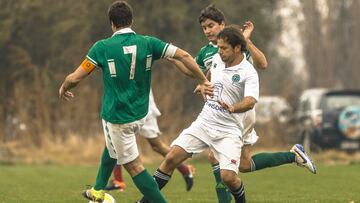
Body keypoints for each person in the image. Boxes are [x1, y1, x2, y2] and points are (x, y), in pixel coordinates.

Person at [58, 1, 213, 203]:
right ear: (131, 21)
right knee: (111, 148)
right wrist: (203, 79)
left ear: (112, 24)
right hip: (140, 113)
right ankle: (97, 191)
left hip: (118, 116)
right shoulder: (149, 42)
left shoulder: (102, 47)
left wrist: (64, 87)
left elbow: (75, 78)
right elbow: (183, 55)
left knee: (135, 167)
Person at [168, 5, 316, 203]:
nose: (208, 31)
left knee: (214, 157)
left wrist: (247, 41)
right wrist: (170, 56)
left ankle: (225, 201)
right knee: (244, 165)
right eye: (204, 28)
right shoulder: (206, 52)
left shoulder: (236, 43)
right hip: (221, 111)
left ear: (223, 24)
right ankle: (293, 155)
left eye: (211, 26)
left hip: (241, 111)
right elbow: (194, 71)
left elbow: (262, 64)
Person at [140, 26, 259, 203]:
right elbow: (209, 74)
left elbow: (250, 101)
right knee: (171, 158)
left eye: (224, 48)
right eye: (218, 47)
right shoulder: (217, 59)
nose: (219, 51)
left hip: (229, 130)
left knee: (228, 177)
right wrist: (203, 84)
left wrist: (233, 108)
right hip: (204, 122)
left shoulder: (248, 71)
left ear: (237, 48)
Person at [105, 89, 194, 192]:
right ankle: (118, 181)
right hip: (126, 104)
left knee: (157, 146)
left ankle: (185, 169)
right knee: (115, 140)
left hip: (142, 105)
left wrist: (202, 80)